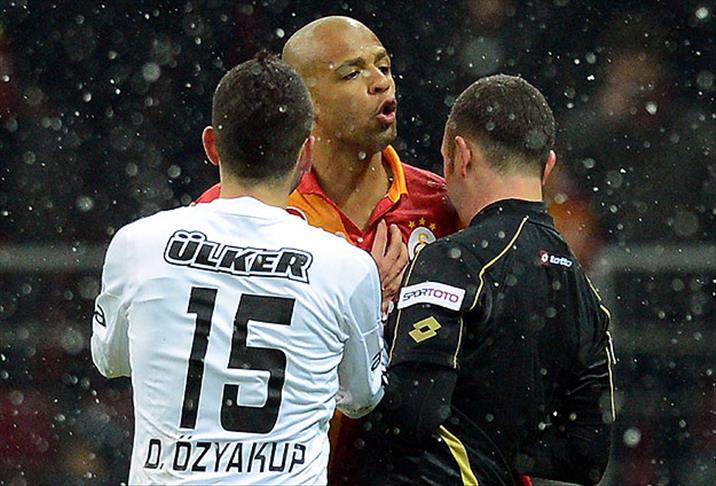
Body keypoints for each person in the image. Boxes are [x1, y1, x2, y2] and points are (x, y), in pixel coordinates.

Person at [91, 52, 385, 485]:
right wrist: (377, 305)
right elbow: (362, 397)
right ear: (306, 153)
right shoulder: (346, 268)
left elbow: (110, 360)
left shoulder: (138, 245)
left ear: (212, 145)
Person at [195, 16, 462, 483]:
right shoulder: (234, 212)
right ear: (304, 103)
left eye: (384, 67)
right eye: (352, 73)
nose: (380, 82)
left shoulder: (443, 206)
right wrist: (360, 301)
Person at [366, 75, 616, 485]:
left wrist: (369, 315)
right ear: (547, 166)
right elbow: (587, 455)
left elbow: (408, 417)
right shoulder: (585, 292)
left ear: (461, 157)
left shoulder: (452, 261)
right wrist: (503, 443)